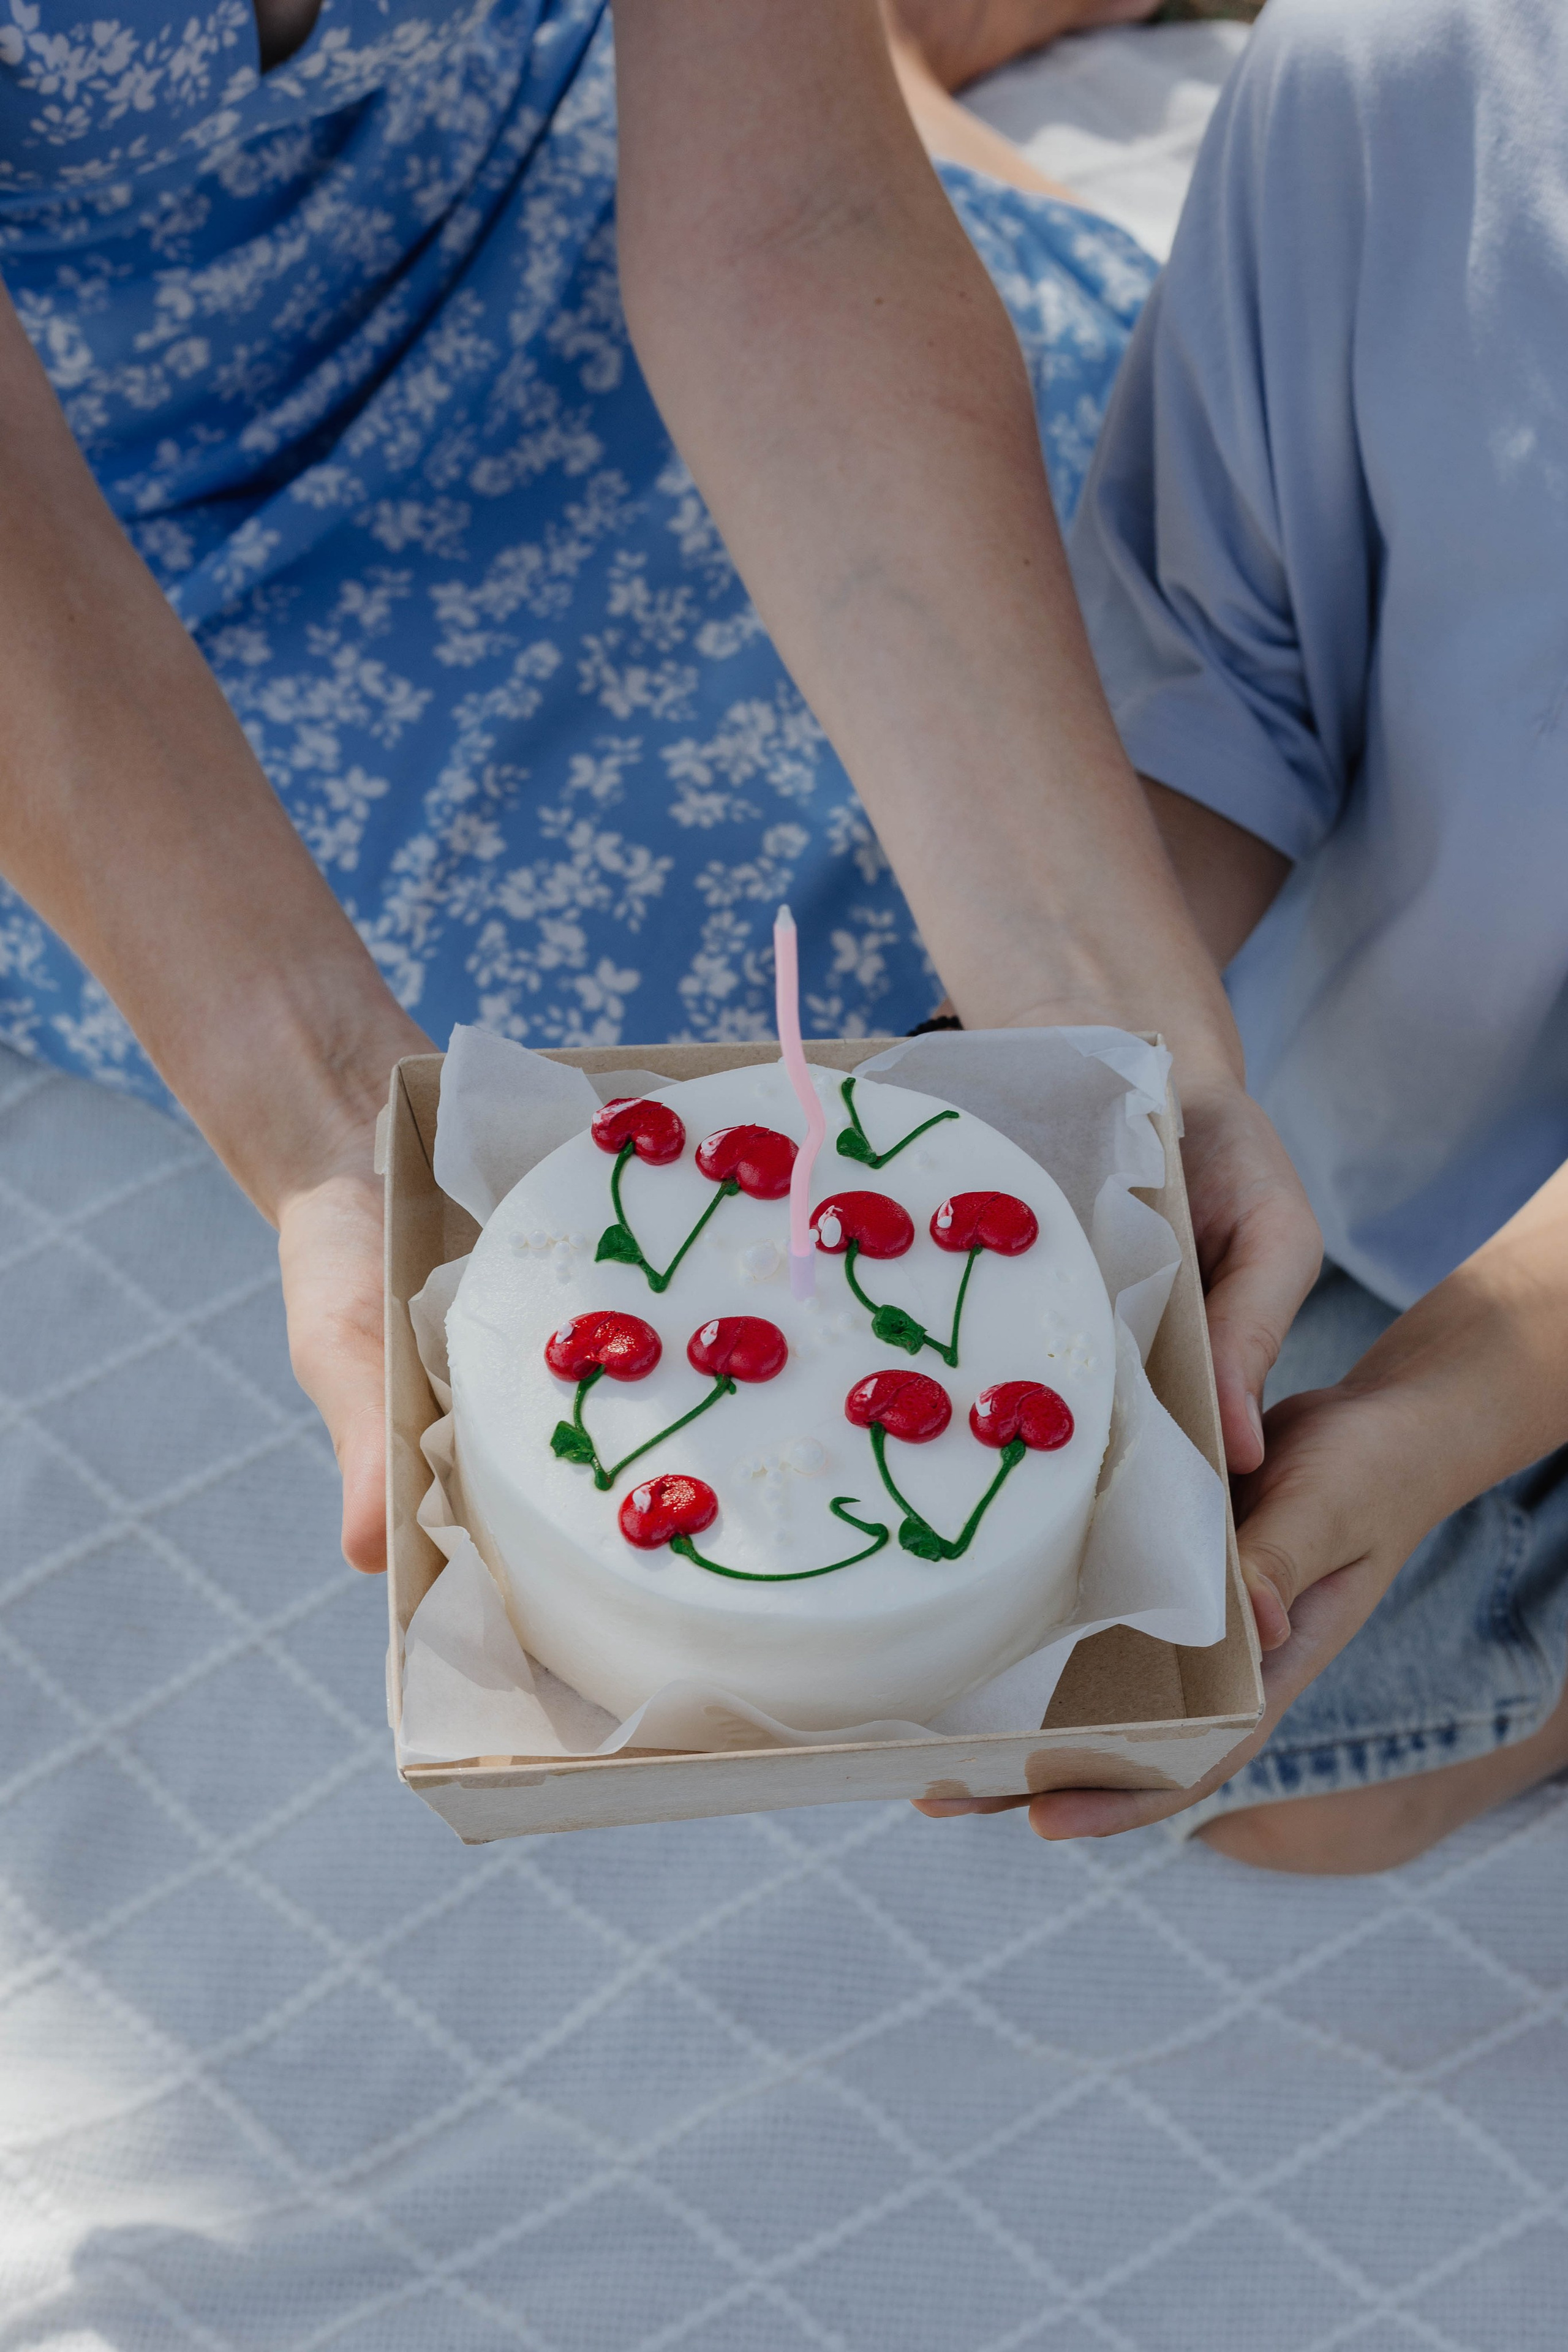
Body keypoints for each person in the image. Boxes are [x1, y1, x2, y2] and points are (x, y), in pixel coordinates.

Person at [0, 1, 1319, 1579]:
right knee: (592, 1108)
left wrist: (1093, 999)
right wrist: (343, 1121)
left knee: (1253, 610)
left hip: (570, 197)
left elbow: (795, 223)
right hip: (126, 528)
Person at [919, 0, 1568, 1869]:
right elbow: (1223, 679)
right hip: (1391, 1146)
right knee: (1113, 1637)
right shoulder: (1399, 65)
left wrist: (1438, 1423)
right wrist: (1052, 1066)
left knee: (1316, 1790)